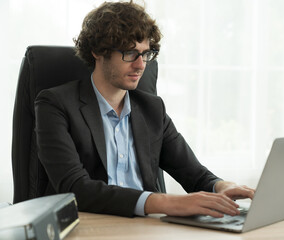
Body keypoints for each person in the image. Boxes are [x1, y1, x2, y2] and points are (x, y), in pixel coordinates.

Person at [35, 1, 255, 218]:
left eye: (146, 53)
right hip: (90, 226)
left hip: (146, 228)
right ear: (97, 51)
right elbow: (75, 189)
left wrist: (221, 186)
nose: (141, 65)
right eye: (130, 53)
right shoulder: (55, 105)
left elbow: (194, 174)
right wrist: (167, 203)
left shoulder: (152, 109)